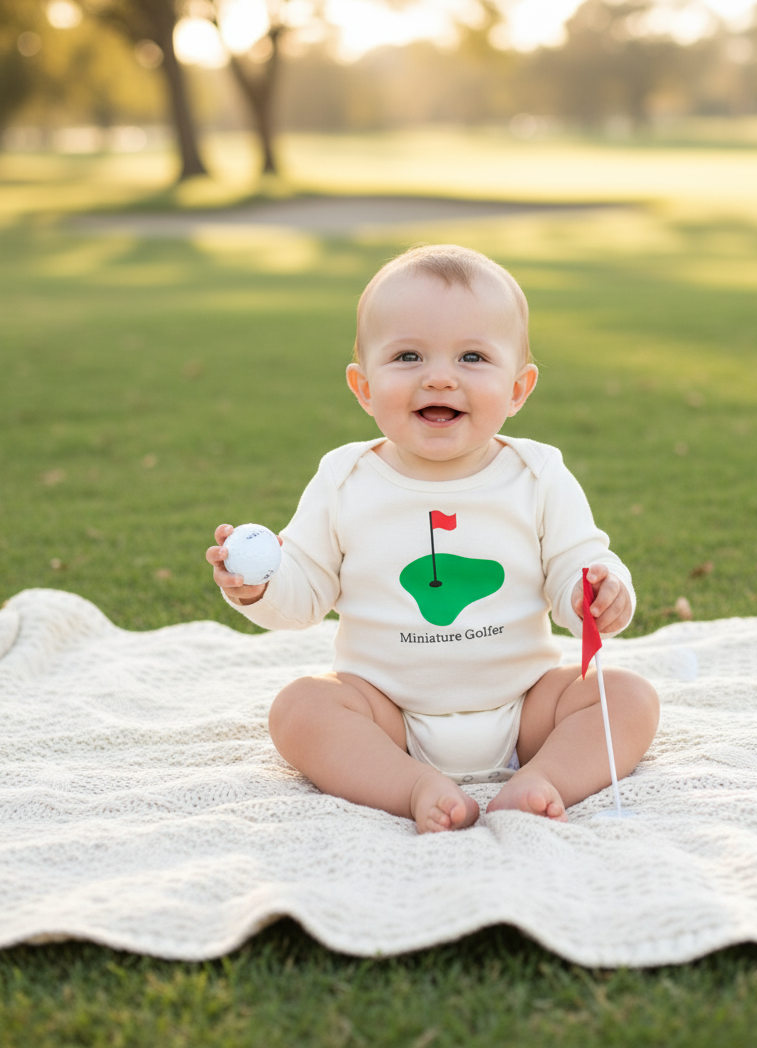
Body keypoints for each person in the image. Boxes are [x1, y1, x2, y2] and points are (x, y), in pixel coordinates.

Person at [207, 245, 659, 833]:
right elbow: (306, 588)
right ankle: (412, 785)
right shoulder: (345, 478)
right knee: (300, 708)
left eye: (472, 356)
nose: (439, 376)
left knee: (627, 697)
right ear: (364, 387)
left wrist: (601, 590)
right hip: (387, 715)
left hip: (525, 708)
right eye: (407, 355)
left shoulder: (538, 473)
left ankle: (544, 779)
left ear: (518, 389)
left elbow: (579, 560)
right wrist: (259, 585)